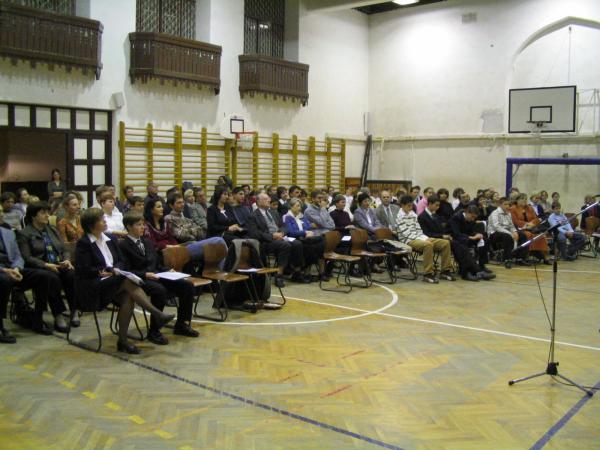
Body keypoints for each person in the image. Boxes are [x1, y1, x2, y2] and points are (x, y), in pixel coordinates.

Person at [75, 208, 175, 354]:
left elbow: (121, 261)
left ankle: (122, 341)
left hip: (114, 280)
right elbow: (83, 269)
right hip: (93, 285)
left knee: (128, 296)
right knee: (126, 280)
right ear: (91, 225)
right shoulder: (84, 243)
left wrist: (115, 269)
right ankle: (157, 314)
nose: (105, 221)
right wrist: (105, 270)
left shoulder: (111, 239)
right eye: (101, 220)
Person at [119, 213, 199, 343]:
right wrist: (145, 274)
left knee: (187, 285)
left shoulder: (147, 242)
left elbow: (157, 264)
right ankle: (154, 331)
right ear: (128, 226)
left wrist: (168, 271)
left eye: (143, 224)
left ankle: (182, 324)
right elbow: (125, 270)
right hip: (138, 279)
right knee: (159, 290)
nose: (143, 227)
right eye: (138, 225)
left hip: (156, 274)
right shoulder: (123, 245)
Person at [17, 202, 78, 331]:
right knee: (52, 278)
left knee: (71, 274)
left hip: (57, 263)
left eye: (48, 212)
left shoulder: (53, 230)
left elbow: (64, 249)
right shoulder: (24, 233)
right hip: (39, 267)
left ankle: (74, 310)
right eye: (43, 213)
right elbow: (27, 257)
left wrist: (67, 260)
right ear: (33, 216)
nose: (47, 215)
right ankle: (58, 315)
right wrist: (45, 264)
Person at [418, 195, 489, 281]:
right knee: (460, 246)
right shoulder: (422, 217)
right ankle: (470, 271)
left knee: (481, 240)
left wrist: (477, 235)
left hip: (446, 238)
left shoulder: (436, 215)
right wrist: (442, 236)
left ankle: (479, 268)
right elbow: (425, 233)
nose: (438, 207)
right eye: (436, 205)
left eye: (439, 205)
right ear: (429, 204)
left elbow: (442, 230)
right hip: (433, 239)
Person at [247, 193, 307, 287]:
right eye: (266, 199)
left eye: (268, 198)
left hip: (280, 237)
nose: (269, 200)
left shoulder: (273, 212)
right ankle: (279, 275)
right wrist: (272, 236)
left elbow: (284, 226)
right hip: (266, 242)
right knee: (285, 245)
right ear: (258, 201)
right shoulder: (253, 216)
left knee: (297, 244)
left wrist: (282, 233)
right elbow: (255, 234)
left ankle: (297, 273)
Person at [395, 195, 455, 283]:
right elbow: (406, 234)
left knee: (445, 243)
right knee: (428, 245)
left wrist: (425, 238)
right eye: (408, 206)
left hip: (419, 237)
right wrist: (424, 240)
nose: (411, 208)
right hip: (408, 240)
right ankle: (428, 274)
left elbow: (419, 230)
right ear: (402, 205)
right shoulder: (399, 217)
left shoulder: (413, 214)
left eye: (411, 205)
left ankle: (445, 271)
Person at [164, 193, 226, 260]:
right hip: (183, 247)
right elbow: (181, 235)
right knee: (219, 240)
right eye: (179, 203)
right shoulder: (169, 218)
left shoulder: (187, 219)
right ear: (171, 205)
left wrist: (188, 231)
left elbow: (201, 232)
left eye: (183, 202)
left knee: (218, 249)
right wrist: (193, 232)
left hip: (195, 243)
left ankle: (225, 265)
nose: (182, 204)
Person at [283, 198, 326, 279]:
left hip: (306, 238)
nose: (300, 208)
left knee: (321, 241)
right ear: (291, 207)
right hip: (295, 239)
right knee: (312, 247)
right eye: (297, 206)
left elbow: (308, 226)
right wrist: (305, 232)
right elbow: (291, 232)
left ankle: (320, 272)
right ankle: (306, 272)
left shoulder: (302, 216)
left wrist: (308, 232)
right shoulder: (287, 217)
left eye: (300, 206)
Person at [449, 205, 495, 275]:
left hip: (466, 237)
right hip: (454, 239)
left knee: (485, 240)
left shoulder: (470, 220)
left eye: (474, 217)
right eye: (472, 217)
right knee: (463, 245)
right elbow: (456, 234)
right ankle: (472, 269)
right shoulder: (455, 218)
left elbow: (470, 232)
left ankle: (481, 265)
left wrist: (477, 234)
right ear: (467, 212)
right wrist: (472, 237)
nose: (473, 219)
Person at [487, 197, 529, 268]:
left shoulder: (508, 213)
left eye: (508, 204)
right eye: (505, 204)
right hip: (494, 233)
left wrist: (515, 232)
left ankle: (520, 258)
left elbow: (511, 225)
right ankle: (507, 259)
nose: (507, 206)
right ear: (500, 205)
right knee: (507, 237)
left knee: (523, 235)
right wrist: (510, 233)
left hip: (506, 232)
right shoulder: (495, 213)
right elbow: (497, 227)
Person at [510, 193, 550, 264]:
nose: (524, 200)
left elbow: (536, 219)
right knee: (527, 235)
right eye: (522, 198)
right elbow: (515, 221)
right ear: (517, 200)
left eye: (526, 199)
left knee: (541, 236)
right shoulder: (513, 208)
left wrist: (532, 223)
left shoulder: (529, 208)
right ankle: (524, 256)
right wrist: (526, 224)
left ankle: (544, 257)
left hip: (531, 227)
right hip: (520, 228)